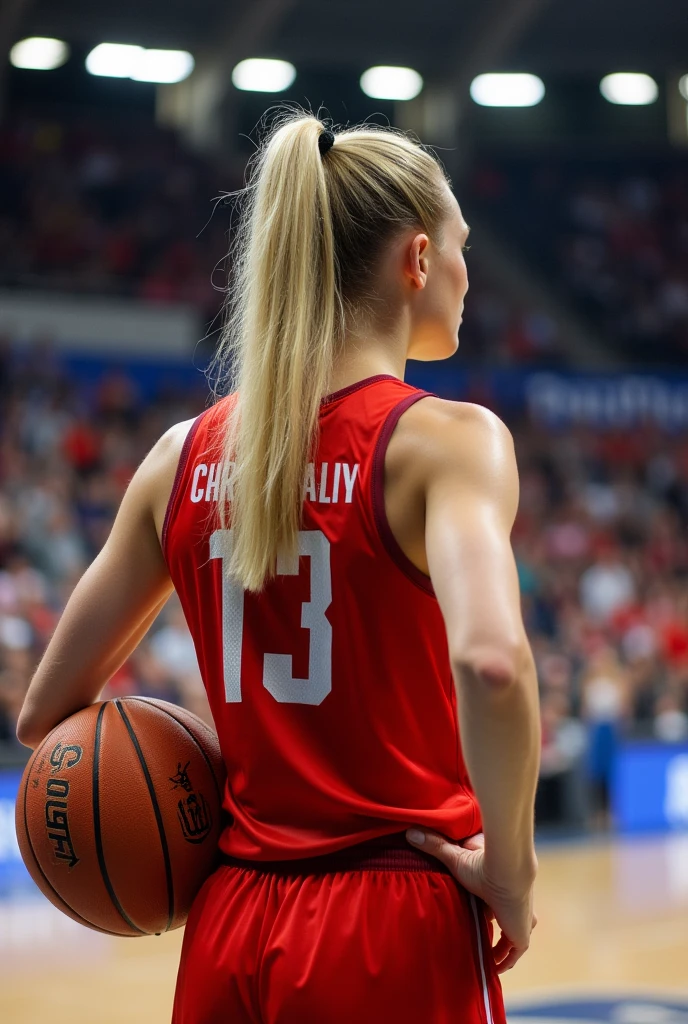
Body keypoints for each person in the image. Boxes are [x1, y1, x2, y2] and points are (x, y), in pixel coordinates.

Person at [17, 114, 540, 1024]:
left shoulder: (182, 455)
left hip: (231, 925)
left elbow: (41, 715)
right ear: (417, 259)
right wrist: (512, 868)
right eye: (463, 247)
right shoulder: (450, 442)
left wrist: (227, 764)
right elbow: (493, 663)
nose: (468, 274)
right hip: (390, 915)